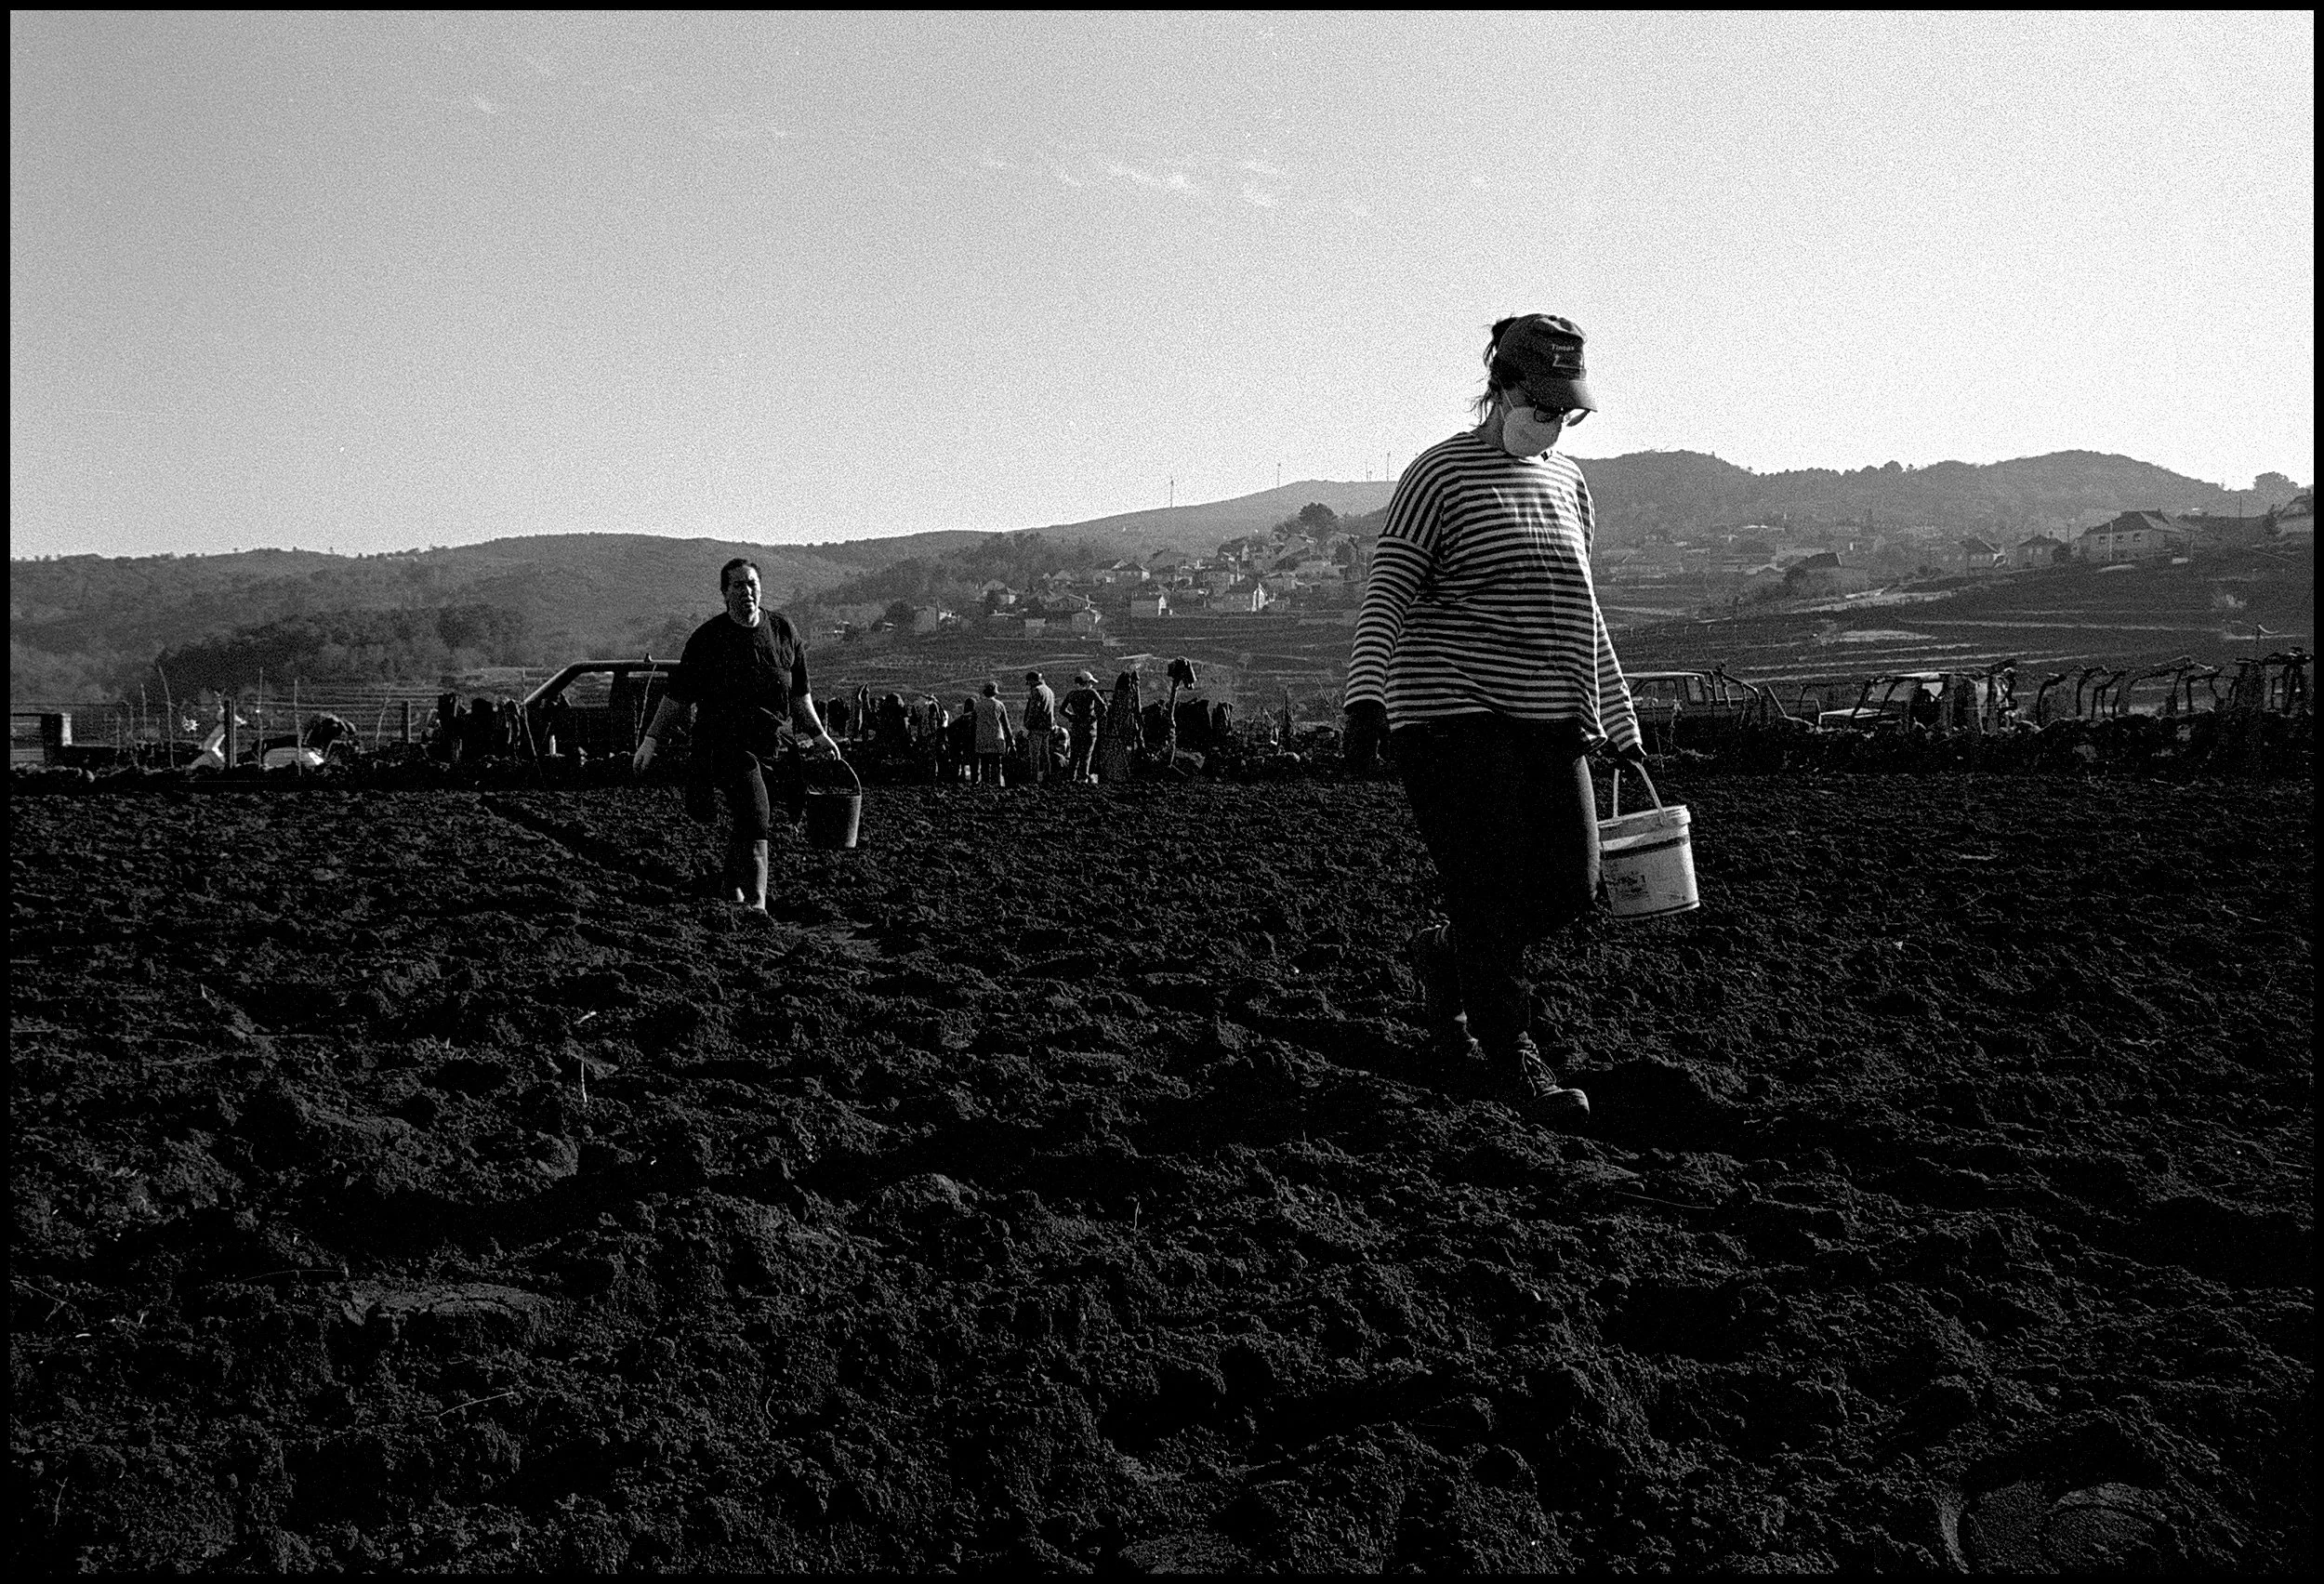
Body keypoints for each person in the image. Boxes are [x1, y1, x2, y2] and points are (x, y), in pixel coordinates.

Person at [1342, 312, 1644, 1126]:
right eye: (1538, 404)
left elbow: (1584, 611)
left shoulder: (1569, 485)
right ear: (1501, 388)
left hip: (1547, 717)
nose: (1550, 423)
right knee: (1485, 887)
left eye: (1564, 411)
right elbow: (1390, 587)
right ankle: (1511, 1054)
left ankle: (1446, 958)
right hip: (1447, 714)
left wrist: (1620, 721)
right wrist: (1365, 696)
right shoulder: (1439, 476)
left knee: (1571, 888)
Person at [632, 557, 840, 911]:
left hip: (773, 744)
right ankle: (757, 904)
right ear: (724, 594)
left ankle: (731, 884)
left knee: (749, 817)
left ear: (761, 588)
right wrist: (651, 739)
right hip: (725, 746)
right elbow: (678, 697)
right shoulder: (708, 639)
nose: (747, 591)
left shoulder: (783, 632)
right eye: (738, 585)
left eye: (752, 584)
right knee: (757, 815)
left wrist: (819, 735)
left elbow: (800, 694)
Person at [1062, 669, 1104, 783]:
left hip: (1076, 728)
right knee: (1086, 755)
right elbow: (1103, 707)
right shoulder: (1091, 693)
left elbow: (1062, 710)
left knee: (1074, 755)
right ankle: (1083, 778)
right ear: (1087, 682)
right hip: (1089, 728)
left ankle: (1071, 778)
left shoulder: (1071, 694)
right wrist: (1095, 717)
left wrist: (1072, 717)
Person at [971, 680, 1011, 786]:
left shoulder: (977, 705)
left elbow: (973, 723)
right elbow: (1006, 725)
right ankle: (996, 784)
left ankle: (985, 785)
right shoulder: (999, 705)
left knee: (984, 763)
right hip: (996, 737)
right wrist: (1010, 741)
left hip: (982, 737)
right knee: (996, 764)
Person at [1022, 670, 1058, 785]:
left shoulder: (1036, 691)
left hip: (1036, 727)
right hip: (1047, 727)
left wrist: (1027, 726)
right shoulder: (1049, 691)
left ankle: (1033, 780)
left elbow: (1033, 711)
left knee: (1034, 755)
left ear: (1032, 681)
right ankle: (1047, 777)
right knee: (1045, 754)